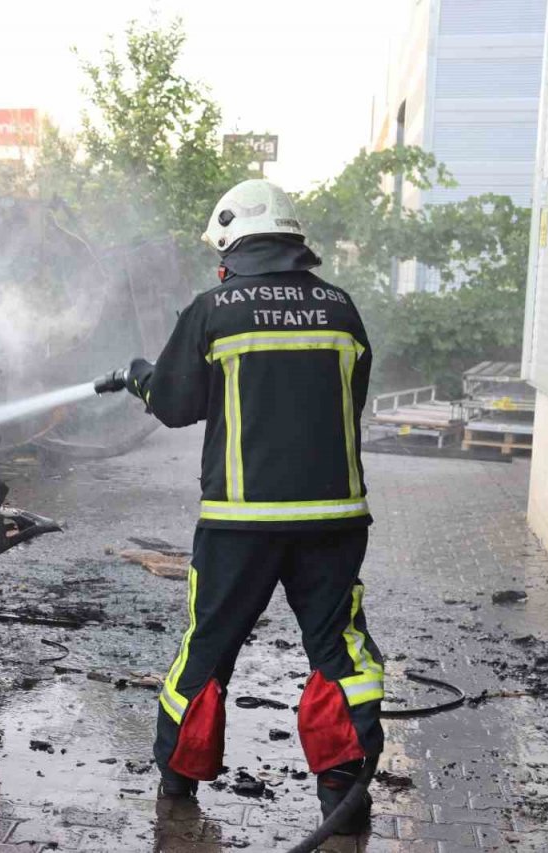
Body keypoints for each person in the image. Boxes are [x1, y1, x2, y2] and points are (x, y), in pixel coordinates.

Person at [124, 179, 383, 834]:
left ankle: (178, 779)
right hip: (333, 519)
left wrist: (141, 377)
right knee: (337, 650)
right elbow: (345, 403)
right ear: (294, 244)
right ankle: (344, 796)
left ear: (232, 247)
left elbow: (176, 404)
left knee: (208, 646)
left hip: (241, 521)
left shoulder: (214, 309)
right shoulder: (341, 308)